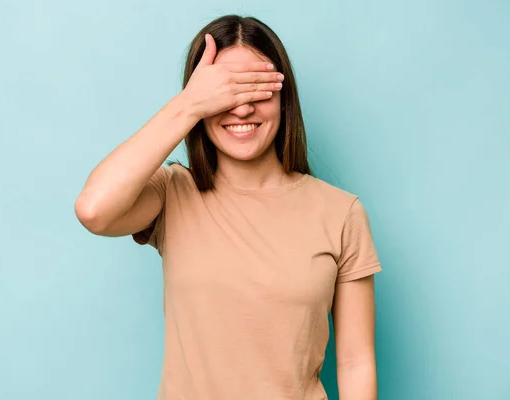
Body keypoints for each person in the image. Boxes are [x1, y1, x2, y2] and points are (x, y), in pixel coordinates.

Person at [75, 14, 382, 400]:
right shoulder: (172, 194)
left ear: (284, 100)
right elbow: (93, 210)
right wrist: (188, 105)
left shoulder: (341, 213)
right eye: (226, 93)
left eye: (257, 90)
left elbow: (356, 363)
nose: (242, 109)